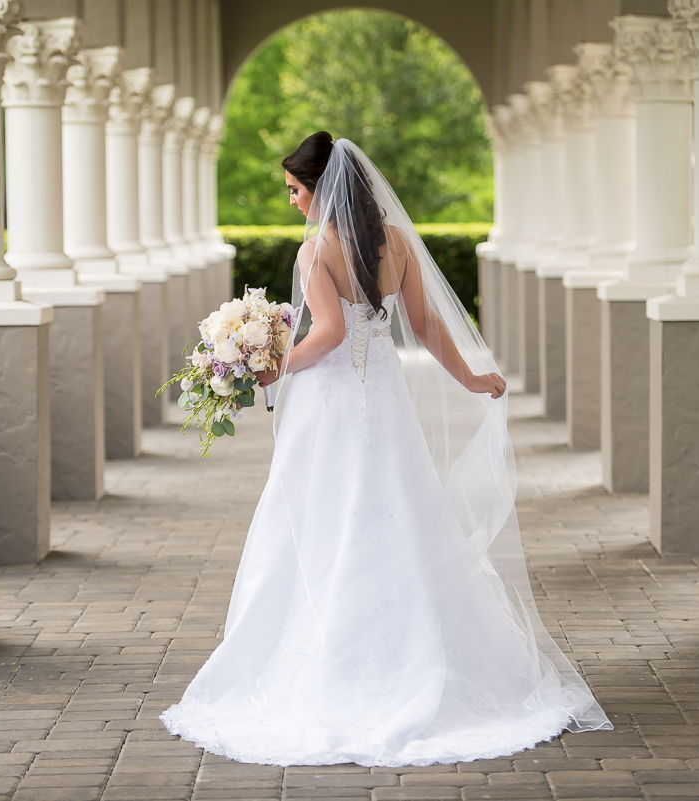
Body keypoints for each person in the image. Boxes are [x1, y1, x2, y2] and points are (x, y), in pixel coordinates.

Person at [160, 132, 611, 767]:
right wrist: (473, 378)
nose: (292, 202)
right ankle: (420, 653)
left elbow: (330, 334)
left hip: (333, 406)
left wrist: (275, 368)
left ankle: (331, 664)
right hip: (386, 403)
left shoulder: (317, 250)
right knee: (397, 509)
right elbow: (425, 325)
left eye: (295, 190)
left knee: (321, 518)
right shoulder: (395, 243)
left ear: (321, 189)